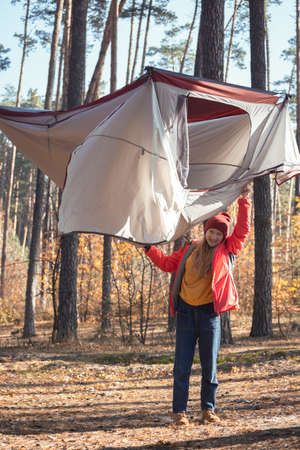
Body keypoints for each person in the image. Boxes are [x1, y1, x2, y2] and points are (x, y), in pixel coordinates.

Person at [144, 184, 252, 426]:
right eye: (211, 232)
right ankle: (179, 413)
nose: (214, 236)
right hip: (185, 313)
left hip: (208, 314)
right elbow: (167, 264)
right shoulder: (190, 248)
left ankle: (208, 410)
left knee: (209, 366)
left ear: (223, 236)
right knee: (181, 365)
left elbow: (243, 230)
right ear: (206, 230)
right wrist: (149, 249)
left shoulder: (228, 250)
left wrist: (245, 201)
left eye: (219, 234)